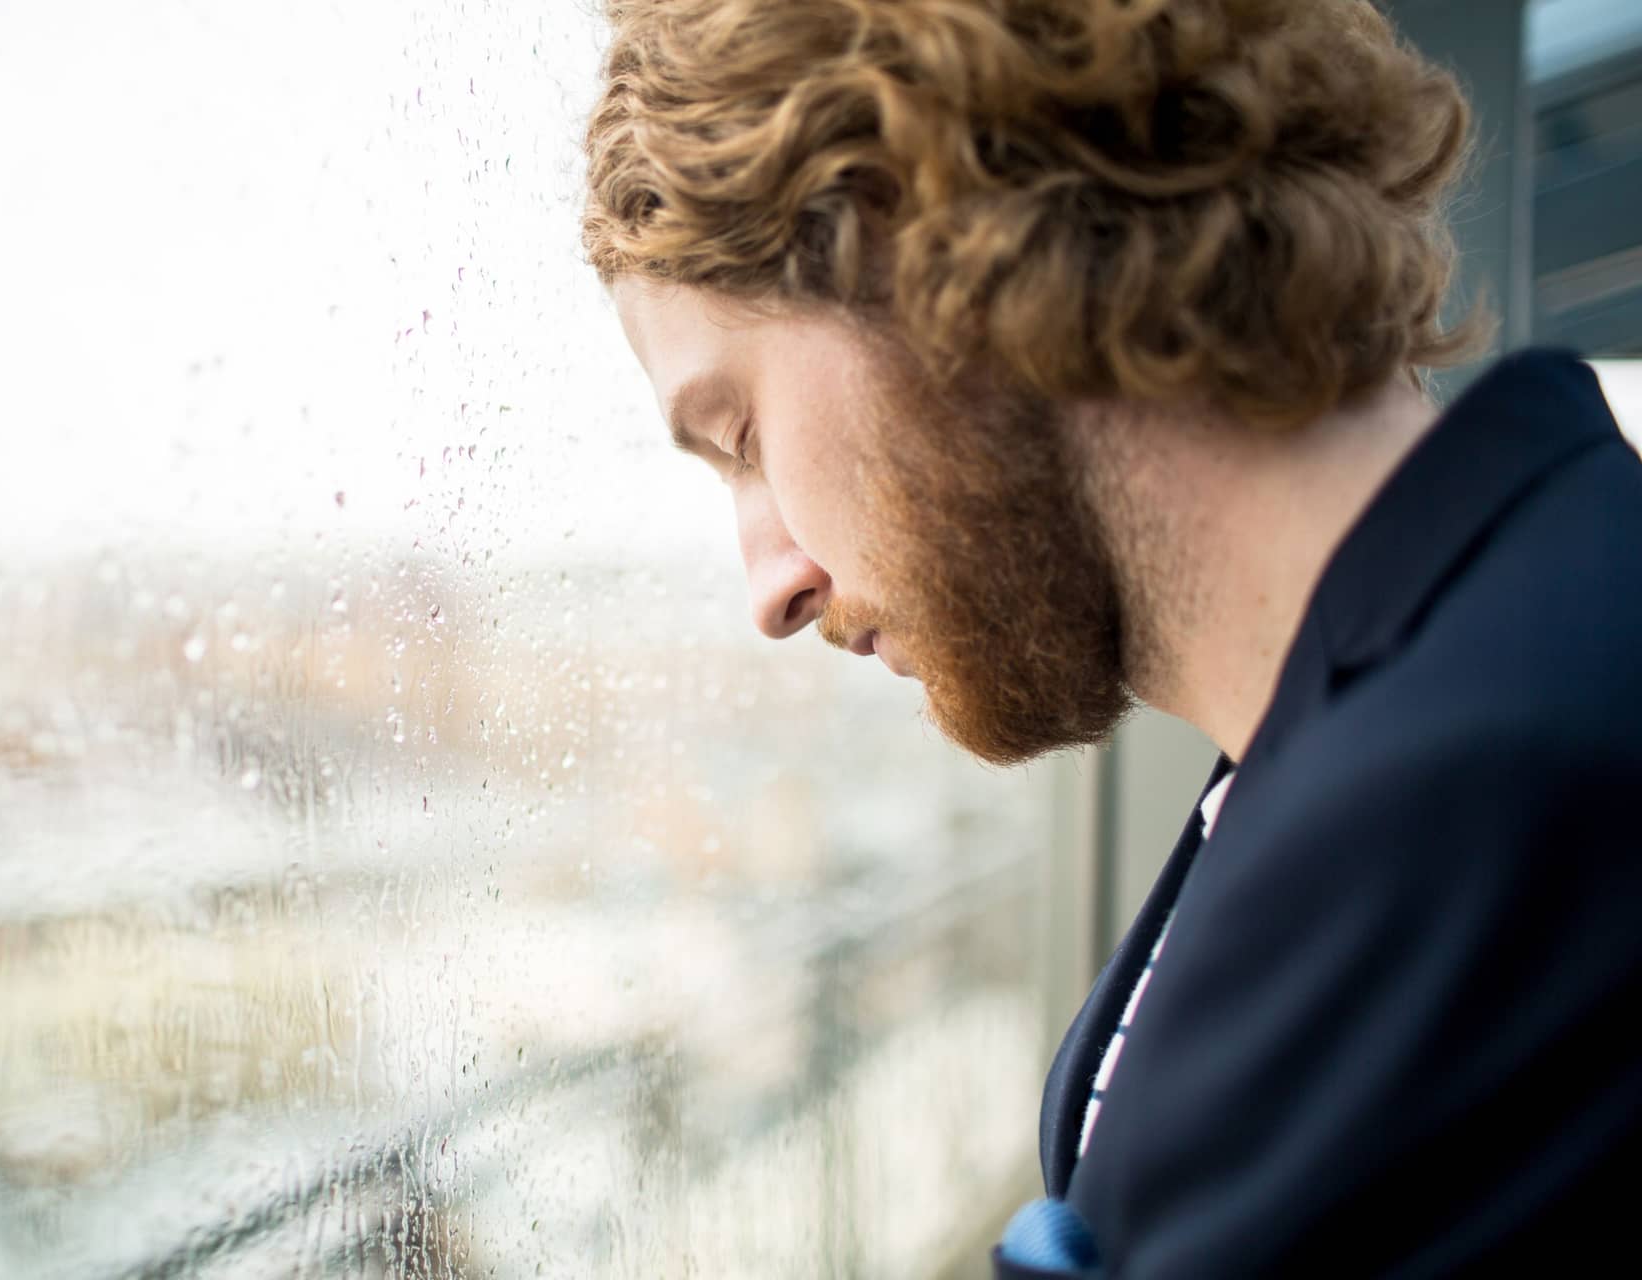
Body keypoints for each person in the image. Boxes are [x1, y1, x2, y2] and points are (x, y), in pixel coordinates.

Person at [580, 0, 1642, 1274]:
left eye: (741, 436)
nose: (771, 587)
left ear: (934, 237)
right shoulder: (1438, 677)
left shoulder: (1488, 798)